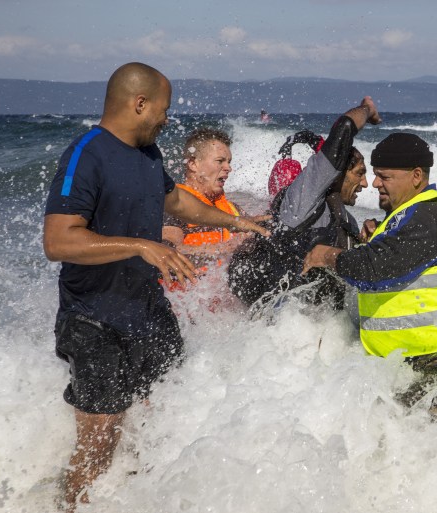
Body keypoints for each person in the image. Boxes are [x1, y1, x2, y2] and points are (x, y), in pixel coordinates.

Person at [43, 62, 268, 511]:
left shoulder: (147, 154)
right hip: (94, 317)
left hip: (147, 310)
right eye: (163, 109)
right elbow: (58, 239)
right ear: (139, 103)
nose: (167, 118)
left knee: (161, 416)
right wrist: (143, 246)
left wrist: (235, 220)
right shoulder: (86, 153)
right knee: (100, 437)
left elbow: (177, 201)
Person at [303, 133, 437, 417]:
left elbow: (373, 268)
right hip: (403, 362)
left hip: (436, 361)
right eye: (375, 175)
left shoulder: (430, 214)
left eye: (384, 176)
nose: (375, 184)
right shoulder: (403, 217)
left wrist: (326, 255)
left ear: (416, 176)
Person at [228, 99, 377, 309]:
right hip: (277, 318)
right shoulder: (301, 202)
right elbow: (343, 129)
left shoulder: (346, 220)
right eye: (360, 173)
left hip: (314, 321)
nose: (365, 183)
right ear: (335, 174)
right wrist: (367, 109)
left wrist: (366, 238)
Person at [162, 127, 251, 270]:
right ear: (193, 164)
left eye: (229, 162)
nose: (228, 168)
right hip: (189, 290)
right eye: (220, 161)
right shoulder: (174, 206)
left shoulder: (233, 208)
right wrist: (227, 247)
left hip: (222, 288)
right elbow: (167, 252)